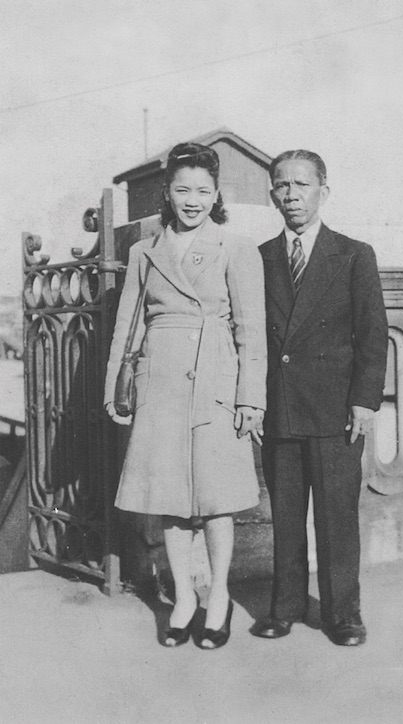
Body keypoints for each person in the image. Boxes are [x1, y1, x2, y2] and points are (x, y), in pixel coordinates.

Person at [104, 142, 267, 650]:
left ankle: (217, 596)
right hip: (161, 384)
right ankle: (184, 598)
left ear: (216, 194)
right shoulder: (143, 252)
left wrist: (250, 398)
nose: (192, 199)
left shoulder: (236, 248)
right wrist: (116, 387)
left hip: (216, 378)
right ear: (167, 194)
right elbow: (126, 327)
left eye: (203, 190)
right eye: (182, 189)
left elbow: (251, 331)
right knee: (169, 499)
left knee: (217, 500)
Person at [251, 149, 388, 646]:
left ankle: (342, 613)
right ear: (272, 195)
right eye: (282, 186)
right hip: (280, 405)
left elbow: (373, 336)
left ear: (323, 192)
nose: (291, 195)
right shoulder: (259, 257)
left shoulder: (354, 254)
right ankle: (284, 607)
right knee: (285, 514)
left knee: (337, 517)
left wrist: (365, 402)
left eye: (301, 185)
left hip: (335, 411)